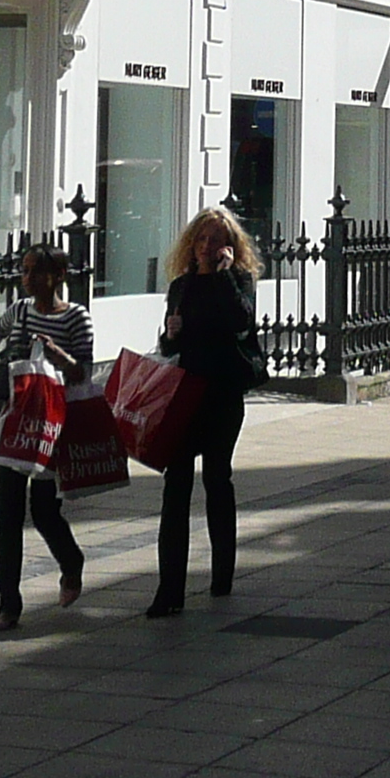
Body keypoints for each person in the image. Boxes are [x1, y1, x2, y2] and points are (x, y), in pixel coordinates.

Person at [0, 246, 93, 629]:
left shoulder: (76, 318)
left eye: (35, 272)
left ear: (57, 276)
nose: (27, 279)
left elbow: (82, 374)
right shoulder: (19, 311)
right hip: (15, 421)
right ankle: (9, 605)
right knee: (7, 514)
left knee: (43, 510)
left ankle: (71, 562)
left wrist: (57, 355)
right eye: (24, 272)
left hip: (50, 425)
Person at [147, 208, 264, 617]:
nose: (207, 248)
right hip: (185, 393)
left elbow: (241, 323)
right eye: (201, 240)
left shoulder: (239, 282)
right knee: (175, 486)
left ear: (230, 246)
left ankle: (222, 574)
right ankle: (169, 590)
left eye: (216, 241)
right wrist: (169, 335)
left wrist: (225, 276)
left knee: (218, 479)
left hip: (223, 393)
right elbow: (169, 347)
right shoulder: (180, 287)